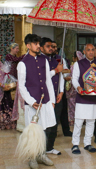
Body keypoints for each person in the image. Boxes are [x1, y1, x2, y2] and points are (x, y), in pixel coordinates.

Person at [17, 34, 62, 169]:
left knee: (46, 128)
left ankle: (42, 155)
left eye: (38, 43)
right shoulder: (22, 63)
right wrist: (31, 101)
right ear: (28, 45)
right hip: (33, 104)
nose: (38, 46)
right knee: (33, 132)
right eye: (35, 44)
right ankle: (32, 158)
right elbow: (21, 86)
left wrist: (52, 100)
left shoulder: (44, 60)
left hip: (46, 101)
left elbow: (48, 80)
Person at [71, 44, 96, 154]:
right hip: (82, 96)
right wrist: (78, 87)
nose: (91, 52)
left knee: (91, 121)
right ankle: (75, 144)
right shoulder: (79, 64)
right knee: (79, 121)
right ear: (84, 52)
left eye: (93, 50)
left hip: (95, 97)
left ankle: (87, 143)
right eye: (88, 50)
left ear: (95, 51)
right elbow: (74, 79)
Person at [40, 37, 65, 155]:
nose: (51, 48)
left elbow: (62, 78)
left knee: (55, 123)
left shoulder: (56, 61)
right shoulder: (39, 61)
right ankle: (41, 149)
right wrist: (55, 71)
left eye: (52, 46)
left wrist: (61, 92)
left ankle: (50, 147)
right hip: (45, 98)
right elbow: (42, 79)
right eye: (48, 46)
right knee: (45, 124)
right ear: (41, 48)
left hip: (57, 96)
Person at [52, 41, 72, 137]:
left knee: (63, 110)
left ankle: (66, 130)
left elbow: (66, 73)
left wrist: (65, 74)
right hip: (51, 88)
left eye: (55, 47)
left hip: (60, 88)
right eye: (52, 47)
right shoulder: (45, 60)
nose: (54, 49)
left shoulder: (61, 60)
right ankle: (53, 131)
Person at [0, 51, 16, 131]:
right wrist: (2, 85)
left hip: (4, 89)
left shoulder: (1, 65)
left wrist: (8, 82)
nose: (0, 57)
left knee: (6, 105)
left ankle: (7, 124)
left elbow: (6, 73)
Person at [65, 51, 84, 126]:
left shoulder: (74, 66)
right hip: (80, 88)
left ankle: (73, 120)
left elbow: (71, 76)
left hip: (73, 89)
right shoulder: (83, 65)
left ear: (76, 57)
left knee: (72, 105)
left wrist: (69, 78)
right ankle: (81, 119)